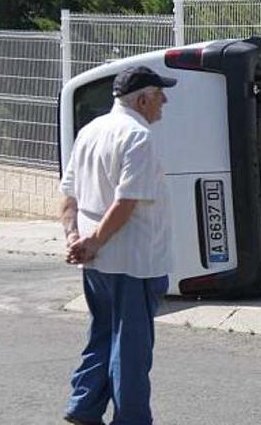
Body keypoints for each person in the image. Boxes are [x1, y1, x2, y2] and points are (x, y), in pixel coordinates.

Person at [59, 65, 175, 425]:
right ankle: (132, 418)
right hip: (133, 259)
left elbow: (68, 196)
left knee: (103, 334)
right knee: (131, 348)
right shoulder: (138, 136)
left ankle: (84, 405)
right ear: (142, 99)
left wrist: (74, 238)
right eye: (159, 95)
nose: (164, 101)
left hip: (97, 261)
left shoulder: (91, 131)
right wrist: (92, 240)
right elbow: (126, 201)